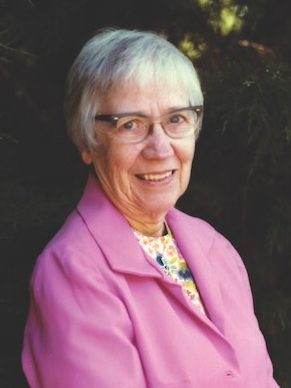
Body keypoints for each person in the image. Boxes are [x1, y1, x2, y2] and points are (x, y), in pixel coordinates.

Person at [22, 28, 279, 388]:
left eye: (176, 119)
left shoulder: (214, 248)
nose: (159, 148)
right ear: (87, 141)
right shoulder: (73, 271)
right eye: (131, 124)